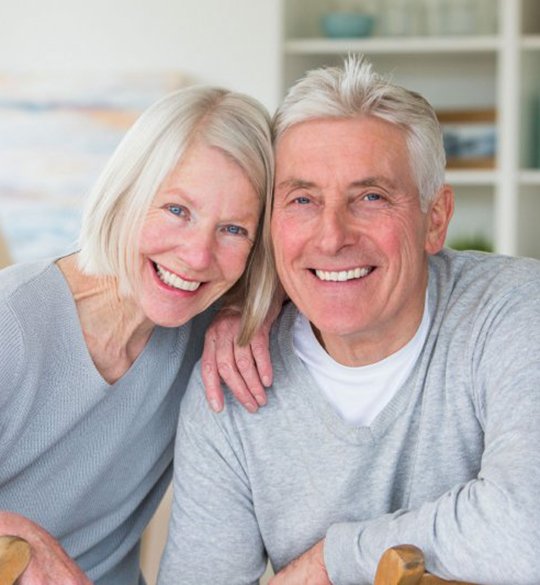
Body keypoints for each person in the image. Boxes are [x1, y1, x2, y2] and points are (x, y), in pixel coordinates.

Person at [158, 55, 540, 585]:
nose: (332, 236)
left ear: (436, 219)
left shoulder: (517, 311)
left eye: (370, 197)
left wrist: (335, 559)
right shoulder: (231, 384)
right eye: (302, 199)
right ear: (271, 225)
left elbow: (528, 532)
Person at [0, 85, 275, 585]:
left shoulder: (203, 337)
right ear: (127, 191)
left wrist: (254, 306)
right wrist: (18, 535)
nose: (197, 256)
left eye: (234, 229)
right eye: (177, 210)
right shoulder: (10, 323)